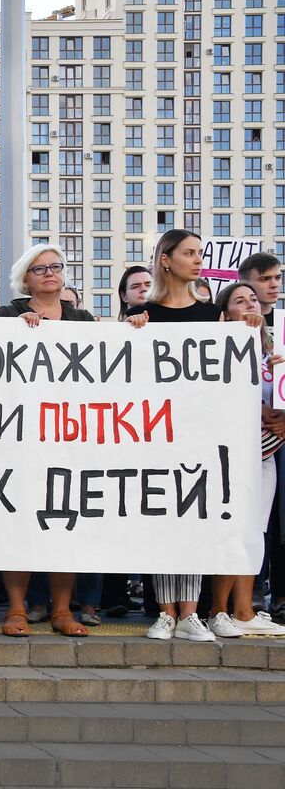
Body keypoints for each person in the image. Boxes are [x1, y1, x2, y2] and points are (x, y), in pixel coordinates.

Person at [127, 229, 248, 641]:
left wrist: (250, 328)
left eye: (201, 254)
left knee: (196, 518)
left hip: (201, 431)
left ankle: (191, 613)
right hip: (157, 433)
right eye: (189, 253)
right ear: (166, 260)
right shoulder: (145, 315)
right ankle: (165, 611)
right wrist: (133, 331)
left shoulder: (214, 314)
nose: (198, 260)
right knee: (162, 518)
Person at [0, 245, 96, 638]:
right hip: (18, 436)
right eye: (40, 269)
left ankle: (62, 610)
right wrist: (16, 329)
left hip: (69, 437)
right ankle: (16, 608)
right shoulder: (8, 315)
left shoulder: (83, 319)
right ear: (26, 278)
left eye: (56, 266)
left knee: (63, 523)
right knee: (18, 521)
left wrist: (132, 328)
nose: (50, 273)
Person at [207, 282, 285, 637]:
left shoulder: (276, 352)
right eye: (240, 300)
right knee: (231, 530)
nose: (250, 303)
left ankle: (244, 608)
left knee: (255, 532)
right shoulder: (216, 348)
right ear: (226, 313)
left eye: (253, 298)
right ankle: (218, 609)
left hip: (266, 453)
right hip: (227, 454)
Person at [241, 252, 281, 328]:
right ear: (244, 284)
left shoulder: (282, 320)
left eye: (278, 278)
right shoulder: (227, 321)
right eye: (264, 279)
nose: (275, 285)